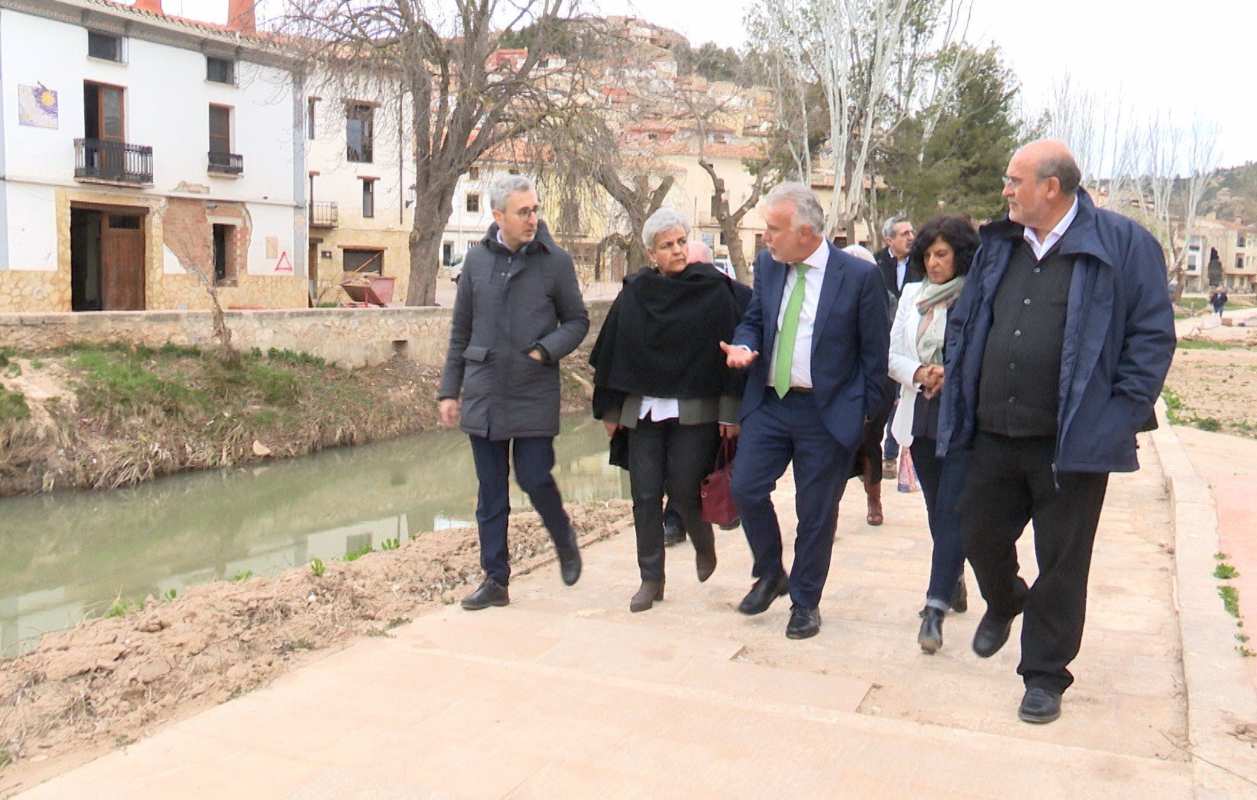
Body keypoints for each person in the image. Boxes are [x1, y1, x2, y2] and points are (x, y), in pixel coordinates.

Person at [936, 140, 1176, 723]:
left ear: (1052, 187)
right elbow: (967, 321)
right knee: (975, 533)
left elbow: (1151, 336)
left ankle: (1044, 676)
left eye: (1014, 179)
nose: (1005, 189)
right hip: (993, 431)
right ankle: (1005, 598)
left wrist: (1119, 413)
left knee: (1063, 563)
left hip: (1071, 442)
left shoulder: (1124, 245)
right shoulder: (999, 246)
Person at [722, 182, 889, 639]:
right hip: (771, 403)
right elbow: (756, 319)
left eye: (774, 230)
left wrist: (862, 417)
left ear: (807, 232)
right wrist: (744, 344)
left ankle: (805, 601)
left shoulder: (857, 277)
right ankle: (771, 571)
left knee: (815, 512)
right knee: (746, 488)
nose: (766, 238)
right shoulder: (768, 267)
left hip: (827, 412)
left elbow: (876, 355)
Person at [437, 176, 590, 611]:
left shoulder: (555, 262)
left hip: (532, 386)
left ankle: (563, 536)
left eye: (535, 209)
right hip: (485, 388)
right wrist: (450, 390)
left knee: (534, 476)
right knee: (491, 492)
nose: (532, 218)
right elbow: (460, 331)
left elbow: (577, 321)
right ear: (498, 215)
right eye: (523, 211)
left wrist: (546, 350)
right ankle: (495, 579)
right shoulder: (476, 263)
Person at [590, 208, 750, 612]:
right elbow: (612, 351)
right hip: (644, 411)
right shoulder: (636, 292)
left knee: (682, 488)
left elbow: (736, 352)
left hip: (694, 410)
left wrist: (730, 414)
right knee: (644, 494)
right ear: (650, 253)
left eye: (681, 242)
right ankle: (651, 579)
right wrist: (611, 410)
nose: (677, 251)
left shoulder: (713, 290)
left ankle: (703, 541)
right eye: (668, 245)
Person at [886, 216, 978, 653]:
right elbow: (893, 354)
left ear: (959, 254)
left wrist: (950, 373)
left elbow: (981, 351)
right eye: (927, 255)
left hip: (960, 413)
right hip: (919, 408)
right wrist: (920, 372)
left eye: (942, 253)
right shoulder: (912, 296)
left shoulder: (976, 295)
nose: (934, 262)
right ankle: (954, 575)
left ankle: (934, 606)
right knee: (936, 507)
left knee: (953, 508)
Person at [842, 244, 896, 525]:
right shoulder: (831, 297)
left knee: (870, 440)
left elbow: (889, 341)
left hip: (876, 379)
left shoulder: (884, 298)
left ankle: (873, 499)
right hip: (840, 380)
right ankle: (829, 508)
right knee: (834, 445)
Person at [876, 216, 924, 478]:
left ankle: (891, 455)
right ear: (889, 240)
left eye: (911, 231)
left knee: (902, 397)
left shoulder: (921, 263)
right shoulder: (877, 263)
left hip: (909, 344)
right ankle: (870, 450)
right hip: (882, 341)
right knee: (882, 399)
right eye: (903, 233)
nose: (909, 237)